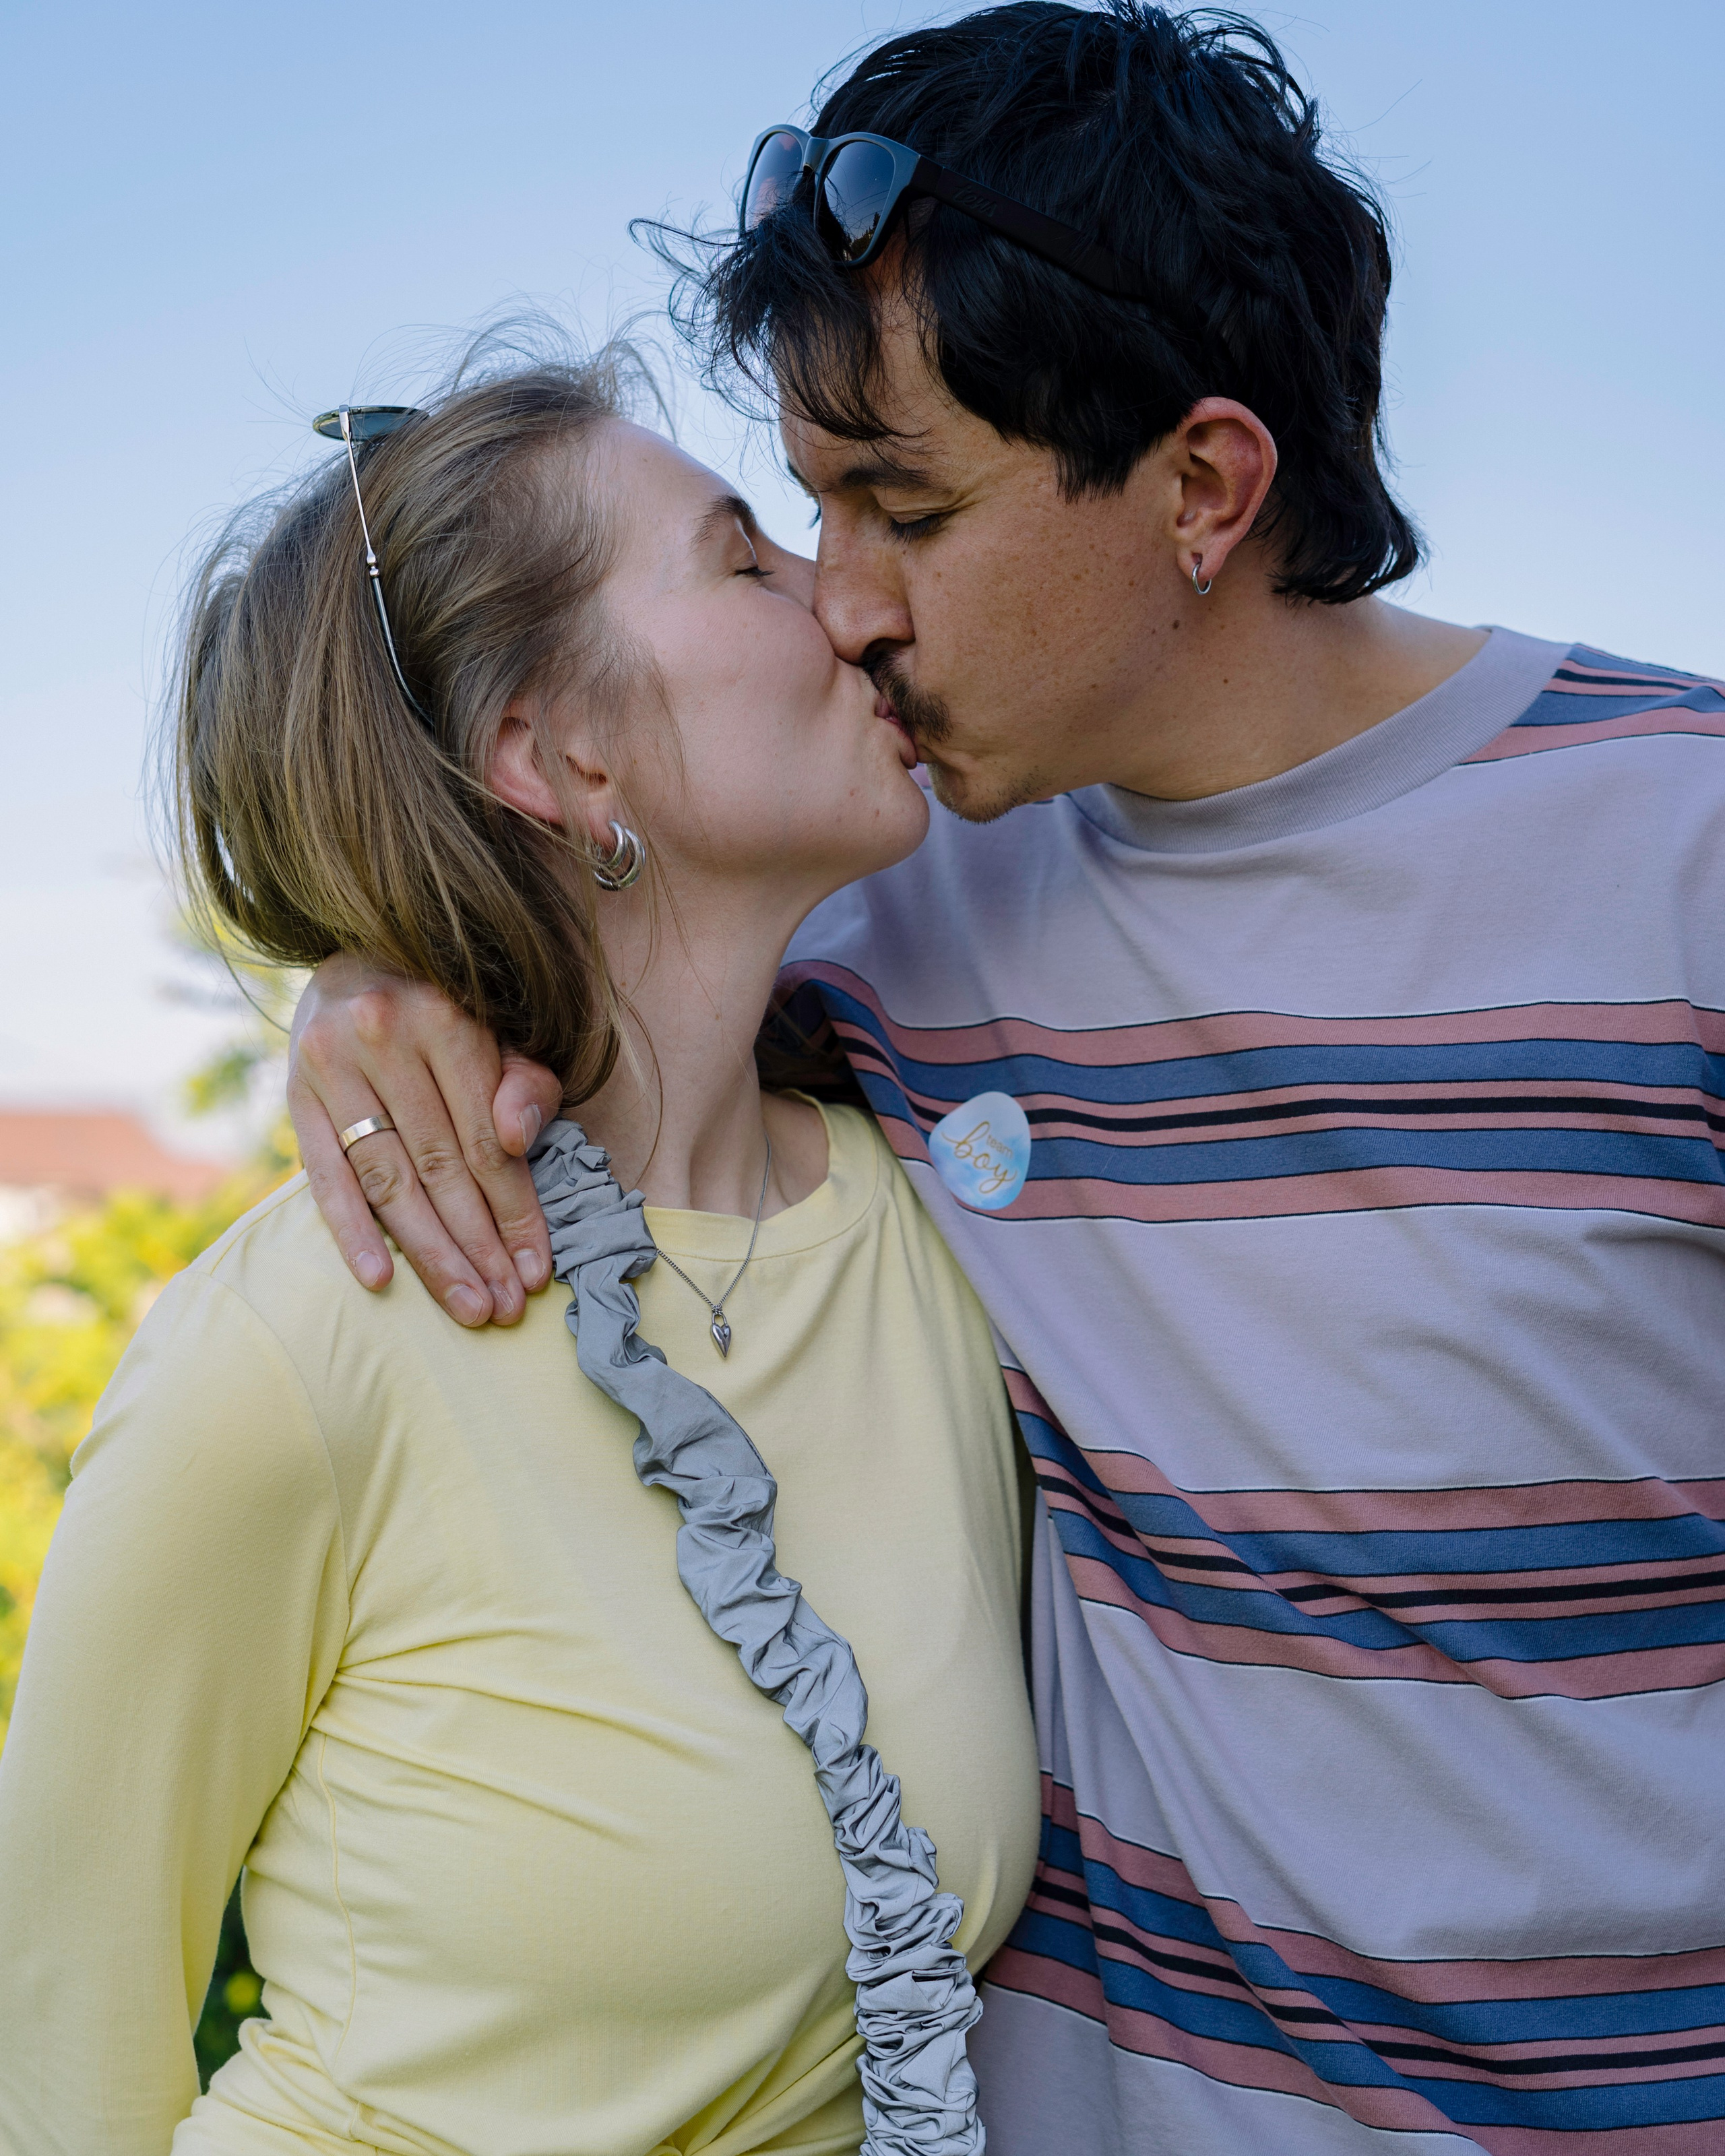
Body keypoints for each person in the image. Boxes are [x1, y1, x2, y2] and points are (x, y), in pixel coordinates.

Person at [286, 6, 1725, 2153]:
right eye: (803, 510)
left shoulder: (1680, 854)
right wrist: (378, 978)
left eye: (905, 508)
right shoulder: (885, 914)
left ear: (1205, 488)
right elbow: (592, 958)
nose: (841, 608)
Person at [0, 349, 1042, 2156]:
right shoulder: (306, 1340)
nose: (850, 608)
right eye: (743, 559)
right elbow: (49, 2044)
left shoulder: (936, 1242)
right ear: (556, 751)